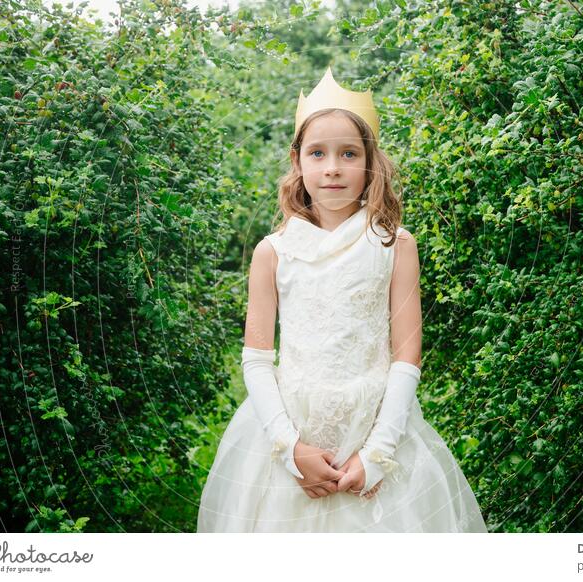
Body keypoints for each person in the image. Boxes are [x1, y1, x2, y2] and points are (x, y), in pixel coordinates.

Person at [196, 67, 488, 532]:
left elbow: (406, 355)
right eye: (318, 153)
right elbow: (255, 358)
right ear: (299, 161)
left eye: (348, 153)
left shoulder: (394, 244)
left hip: (375, 429)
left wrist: (376, 454)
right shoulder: (273, 252)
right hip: (291, 431)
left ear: (370, 162)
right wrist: (290, 450)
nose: (332, 166)